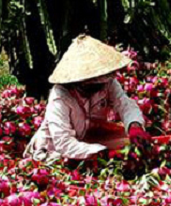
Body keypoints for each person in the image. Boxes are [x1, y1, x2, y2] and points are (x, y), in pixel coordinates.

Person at [24, 35, 149, 163]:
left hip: (86, 141)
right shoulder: (60, 96)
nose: (100, 87)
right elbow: (63, 142)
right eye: (93, 84)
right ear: (80, 82)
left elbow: (124, 104)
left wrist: (134, 125)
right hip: (53, 152)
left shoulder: (106, 83)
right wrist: (101, 153)